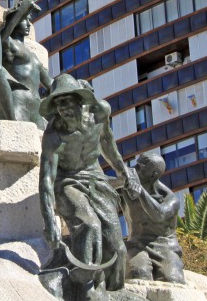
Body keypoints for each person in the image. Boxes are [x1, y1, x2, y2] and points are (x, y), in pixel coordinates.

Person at [39, 74, 139, 295]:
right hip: (67, 182)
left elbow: (107, 142)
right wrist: (49, 221)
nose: (63, 108)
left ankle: (114, 292)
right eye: (58, 103)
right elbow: (46, 179)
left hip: (95, 177)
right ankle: (85, 290)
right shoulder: (54, 135)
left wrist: (123, 170)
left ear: (80, 99)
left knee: (117, 246)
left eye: (67, 101)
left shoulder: (99, 113)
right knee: (89, 225)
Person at [121, 153, 185, 283]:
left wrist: (140, 192)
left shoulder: (170, 199)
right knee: (139, 274)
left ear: (153, 174)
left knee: (172, 279)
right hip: (136, 245)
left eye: (140, 167)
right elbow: (102, 185)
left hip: (166, 247)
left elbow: (159, 214)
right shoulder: (126, 188)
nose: (134, 169)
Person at [0, 0, 53, 128]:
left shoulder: (34, 56)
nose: (29, 24)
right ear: (16, 20)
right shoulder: (8, 44)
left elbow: (50, 83)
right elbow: (0, 38)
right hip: (18, 100)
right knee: (16, 134)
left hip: (36, 106)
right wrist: (22, 8)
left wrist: (74, 89)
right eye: (25, 19)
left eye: (30, 20)